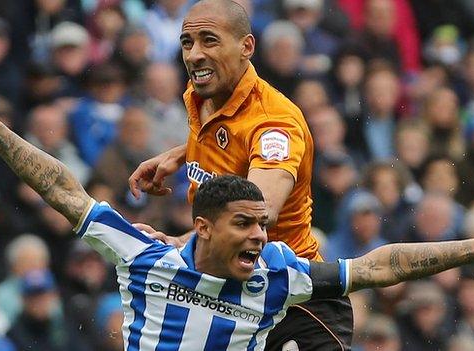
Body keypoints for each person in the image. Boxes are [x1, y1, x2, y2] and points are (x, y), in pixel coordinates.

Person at [0, 69, 474, 350]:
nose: (261, 236)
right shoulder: (143, 255)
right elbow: (64, 190)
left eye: (262, 223)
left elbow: (379, 266)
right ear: (201, 225)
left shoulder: (279, 274)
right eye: (246, 224)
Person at [128, 1, 354, 348]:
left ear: (246, 47)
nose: (194, 55)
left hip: (293, 300)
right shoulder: (204, 93)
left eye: (209, 40)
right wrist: (181, 154)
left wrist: (183, 242)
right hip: (229, 290)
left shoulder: (275, 124)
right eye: (187, 43)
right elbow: (231, 137)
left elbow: (259, 210)